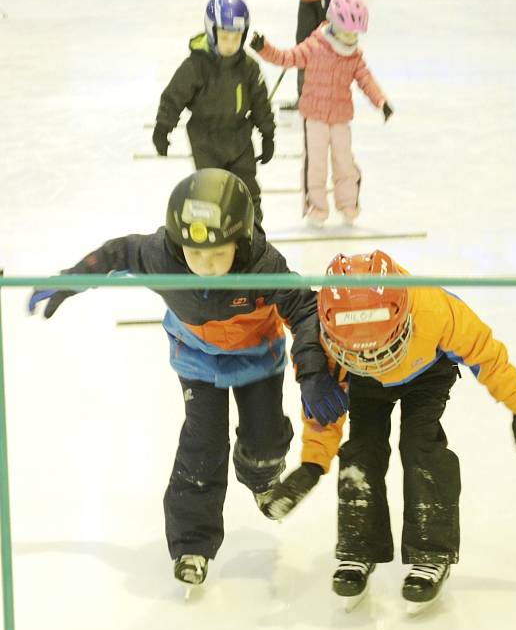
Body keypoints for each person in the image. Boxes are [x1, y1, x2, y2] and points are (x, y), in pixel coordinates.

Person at [28, 169, 347, 590]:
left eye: (218, 254)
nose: (205, 266)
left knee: (265, 440)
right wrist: (71, 279)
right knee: (202, 444)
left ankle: (261, 475)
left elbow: (304, 309)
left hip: (256, 359)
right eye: (195, 254)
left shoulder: (262, 266)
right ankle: (191, 542)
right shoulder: (161, 255)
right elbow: (116, 254)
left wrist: (311, 374)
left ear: (242, 240)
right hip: (197, 360)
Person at [263, 250, 516, 613]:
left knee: (421, 447)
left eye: (381, 348)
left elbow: (486, 355)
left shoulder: (437, 311)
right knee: (361, 451)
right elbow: (324, 409)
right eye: (361, 352)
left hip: (426, 373)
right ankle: (358, 548)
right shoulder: (331, 342)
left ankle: (431, 552)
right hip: (363, 384)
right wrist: (313, 463)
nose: (374, 358)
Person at [250, 0, 393, 228]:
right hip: (314, 117)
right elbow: (286, 58)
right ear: (334, 26)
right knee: (315, 164)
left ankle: (348, 203)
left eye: (354, 33)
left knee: (344, 161)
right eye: (347, 31)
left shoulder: (354, 56)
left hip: (340, 118)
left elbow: (366, 80)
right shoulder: (315, 46)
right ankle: (316, 206)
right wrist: (263, 47)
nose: (350, 37)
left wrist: (381, 102)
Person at [152, 0, 274, 223]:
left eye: (236, 38)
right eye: (225, 37)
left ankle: (253, 231)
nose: (230, 44)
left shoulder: (248, 67)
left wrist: (268, 134)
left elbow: (260, 103)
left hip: (239, 138)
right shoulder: (196, 66)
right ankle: (215, 238)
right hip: (205, 140)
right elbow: (173, 97)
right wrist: (162, 128)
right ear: (211, 32)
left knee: (247, 188)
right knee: (211, 190)